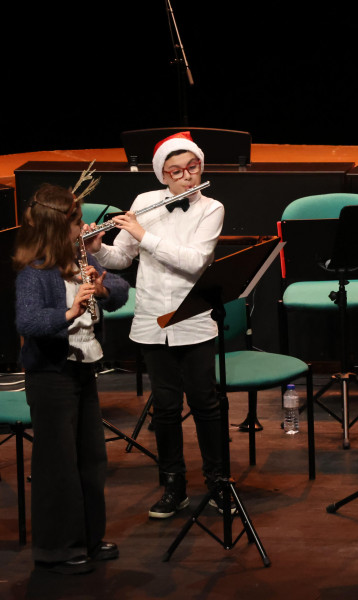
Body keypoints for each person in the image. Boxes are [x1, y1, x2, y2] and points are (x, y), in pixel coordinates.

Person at [86, 131, 226, 519]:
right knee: (165, 408)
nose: (187, 176)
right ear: (163, 174)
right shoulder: (146, 202)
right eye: (176, 170)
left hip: (193, 318)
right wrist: (98, 248)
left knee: (205, 404)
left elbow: (193, 261)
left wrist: (142, 235)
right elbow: (122, 259)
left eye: (192, 168)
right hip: (152, 319)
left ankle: (217, 483)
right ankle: (173, 485)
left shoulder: (211, 208)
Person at [14, 183, 129, 574]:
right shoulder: (35, 272)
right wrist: (67, 313)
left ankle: (89, 538)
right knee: (57, 465)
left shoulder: (77, 259)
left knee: (90, 459)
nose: (84, 229)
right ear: (55, 228)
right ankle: (56, 549)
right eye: (77, 223)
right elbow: (27, 321)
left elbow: (119, 287)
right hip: (50, 376)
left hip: (81, 369)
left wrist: (101, 286)